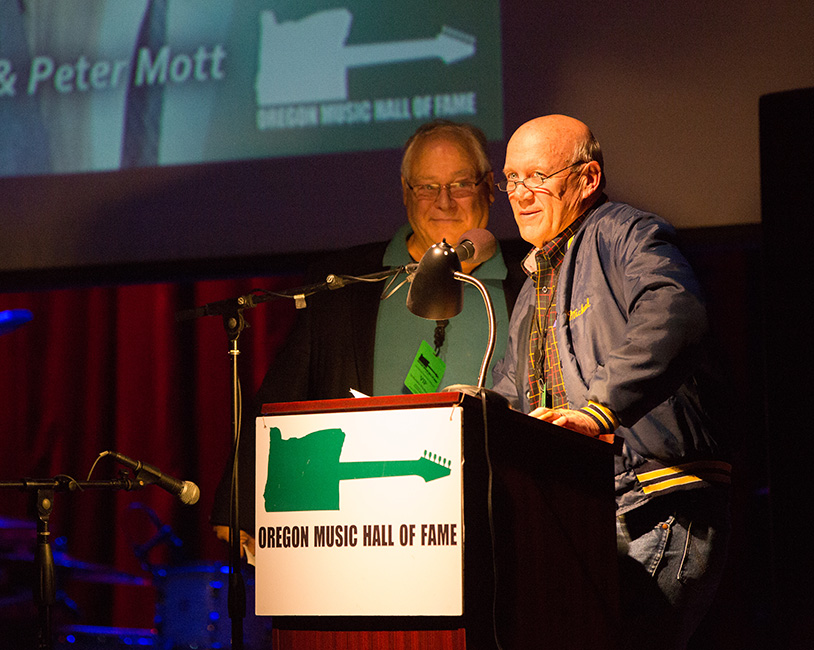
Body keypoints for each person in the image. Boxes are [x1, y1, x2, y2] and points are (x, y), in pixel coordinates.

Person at [210, 119, 510, 555]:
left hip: (498, 524)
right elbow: (283, 392)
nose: (444, 201)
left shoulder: (530, 277)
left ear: (487, 187)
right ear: (406, 193)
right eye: (427, 187)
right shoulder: (345, 283)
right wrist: (239, 504)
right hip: (366, 531)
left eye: (461, 184)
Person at [490, 114, 730, 649]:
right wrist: (463, 412)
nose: (519, 194)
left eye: (536, 177)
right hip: (587, 516)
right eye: (510, 180)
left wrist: (601, 407)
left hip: (658, 503)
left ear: (587, 177)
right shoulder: (534, 288)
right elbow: (514, 392)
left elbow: (675, 311)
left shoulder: (626, 232)